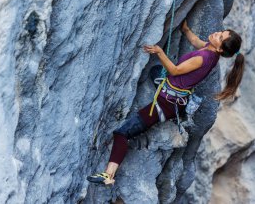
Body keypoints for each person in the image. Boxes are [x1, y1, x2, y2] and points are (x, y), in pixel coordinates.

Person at [87, 21, 245, 185]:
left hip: (166, 104)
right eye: (221, 31)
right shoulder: (211, 51)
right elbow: (196, 41)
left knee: (122, 133)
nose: (216, 33)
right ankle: (176, 108)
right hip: (175, 95)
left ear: (220, 48)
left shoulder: (203, 58)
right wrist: (185, 28)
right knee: (155, 71)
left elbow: (174, 70)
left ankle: (108, 175)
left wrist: (159, 52)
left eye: (220, 36)